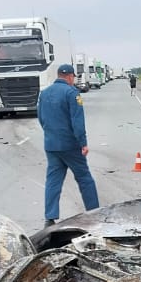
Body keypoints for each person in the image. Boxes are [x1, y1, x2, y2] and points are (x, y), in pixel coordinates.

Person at [37, 63, 99, 226]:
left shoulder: (44, 93)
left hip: (51, 145)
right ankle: (95, 213)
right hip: (70, 146)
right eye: (73, 77)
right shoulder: (72, 93)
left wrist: (50, 134)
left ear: (58, 75)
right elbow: (77, 121)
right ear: (70, 76)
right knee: (85, 179)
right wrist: (83, 143)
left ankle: (50, 218)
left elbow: (41, 119)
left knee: (53, 181)